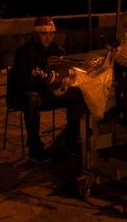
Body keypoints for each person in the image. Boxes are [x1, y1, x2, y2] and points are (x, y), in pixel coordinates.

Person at [9, 16, 86, 162]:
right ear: (35, 34)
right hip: (27, 95)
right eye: (44, 34)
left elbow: (63, 78)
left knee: (78, 94)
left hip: (49, 94)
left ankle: (70, 140)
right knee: (32, 98)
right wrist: (45, 67)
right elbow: (22, 83)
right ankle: (35, 148)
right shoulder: (24, 53)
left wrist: (65, 73)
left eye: (51, 34)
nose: (48, 38)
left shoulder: (58, 51)